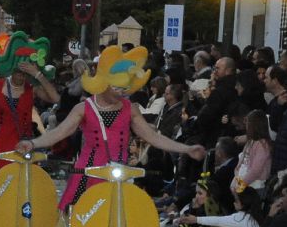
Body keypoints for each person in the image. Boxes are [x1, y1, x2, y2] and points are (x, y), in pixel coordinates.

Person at [16, 46, 207, 211]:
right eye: (117, 88)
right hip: (88, 174)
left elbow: (152, 137)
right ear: (104, 83)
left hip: (118, 175)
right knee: (75, 219)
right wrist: (32, 143)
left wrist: (187, 149)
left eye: (125, 88)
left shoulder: (130, 109)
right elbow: (59, 132)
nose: (122, 92)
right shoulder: (83, 108)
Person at [0, 34, 59, 192]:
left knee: (22, 187)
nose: (21, 77)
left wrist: (38, 75)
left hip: (23, 144)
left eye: (24, 74)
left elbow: (55, 98)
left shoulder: (32, 89)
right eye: (18, 72)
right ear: (11, 70)